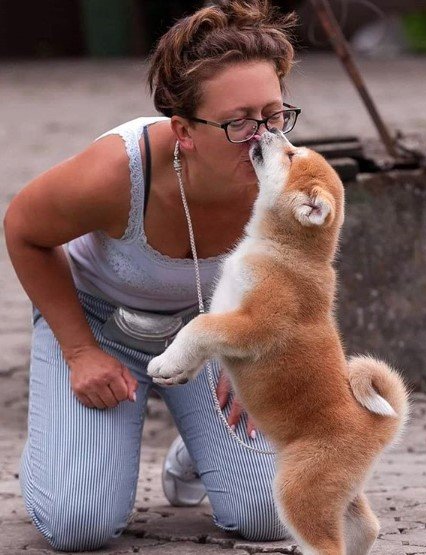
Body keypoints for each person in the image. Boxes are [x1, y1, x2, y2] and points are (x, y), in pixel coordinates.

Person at [4, 0, 301, 551]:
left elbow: (299, 275)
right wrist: (79, 352)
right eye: (238, 122)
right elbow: (23, 229)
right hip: (102, 327)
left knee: (274, 513)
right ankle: (67, 440)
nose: (264, 137)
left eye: (274, 114)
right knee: (78, 527)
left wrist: (263, 353)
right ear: (184, 131)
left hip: (210, 331)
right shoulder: (115, 173)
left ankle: (197, 448)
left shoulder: (286, 174)